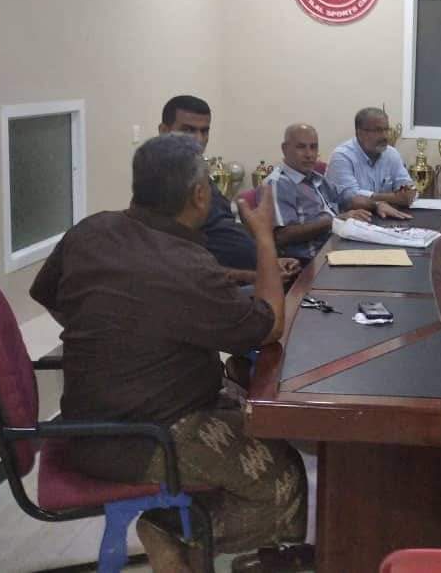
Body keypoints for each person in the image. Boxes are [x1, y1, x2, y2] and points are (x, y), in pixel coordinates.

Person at [29, 133, 312, 572]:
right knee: (285, 476)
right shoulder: (186, 266)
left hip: (89, 421)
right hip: (144, 437)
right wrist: (262, 237)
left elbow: (47, 292)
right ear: (199, 195)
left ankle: (197, 550)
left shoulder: (91, 230)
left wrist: (116, 336)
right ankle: (175, 532)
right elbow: (270, 325)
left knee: (256, 408)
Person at [158, 95, 295, 285]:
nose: (199, 139)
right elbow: (182, 266)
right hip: (225, 288)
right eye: (188, 130)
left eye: (204, 131)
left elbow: (225, 231)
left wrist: (270, 261)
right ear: (164, 131)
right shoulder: (162, 186)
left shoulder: (197, 171)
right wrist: (258, 275)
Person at [268, 123, 410, 261]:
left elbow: (346, 197)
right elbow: (282, 236)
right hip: (310, 262)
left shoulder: (314, 177)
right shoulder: (278, 183)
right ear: (285, 149)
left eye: (313, 147)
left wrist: (376, 205)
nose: (309, 154)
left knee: (395, 250)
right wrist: (335, 221)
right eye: (301, 147)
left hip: (336, 247)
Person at [325, 107, 416, 208]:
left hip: (385, 214)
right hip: (350, 216)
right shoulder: (342, 156)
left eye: (386, 130)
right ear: (360, 133)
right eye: (378, 130)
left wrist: (408, 193)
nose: (385, 136)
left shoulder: (391, 153)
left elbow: (407, 189)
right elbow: (351, 197)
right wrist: (395, 198)